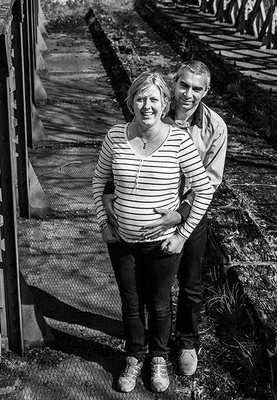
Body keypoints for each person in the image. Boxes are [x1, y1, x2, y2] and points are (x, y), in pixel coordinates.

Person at [103, 60, 228, 376]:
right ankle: (147, 347)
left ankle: (186, 342)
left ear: (206, 91)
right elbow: (124, 159)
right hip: (149, 218)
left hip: (188, 214)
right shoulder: (156, 111)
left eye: (197, 88)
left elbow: (209, 182)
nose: (189, 93)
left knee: (190, 282)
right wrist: (109, 203)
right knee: (150, 289)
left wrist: (181, 215)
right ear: (174, 85)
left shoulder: (215, 127)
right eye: (184, 85)